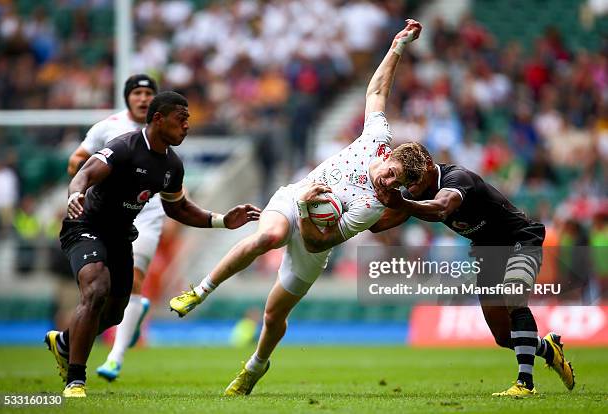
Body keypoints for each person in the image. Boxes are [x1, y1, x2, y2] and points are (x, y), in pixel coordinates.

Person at [169, 19, 424, 396]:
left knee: (274, 316)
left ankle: (255, 366)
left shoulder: (371, 206)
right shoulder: (378, 138)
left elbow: (321, 242)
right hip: (293, 197)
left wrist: (306, 211)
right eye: (391, 173)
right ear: (390, 157)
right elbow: (376, 91)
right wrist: (397, 47)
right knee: (267, 236)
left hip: (313, 232)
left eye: (397, 184)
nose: (388, 183)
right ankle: (201, 291)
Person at [45, 91, 261, 398]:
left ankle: (65, 342)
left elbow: (179, 208)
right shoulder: (124, 148)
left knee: (116, 312)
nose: (187, 125)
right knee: (95, 289)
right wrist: (75, 195)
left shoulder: (172, 165)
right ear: (158, 119)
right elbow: (85, 174)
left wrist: (223, 220)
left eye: (188, 120)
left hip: (120, 236)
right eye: (181, 118)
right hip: (86, 226)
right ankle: (75, 380)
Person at [369, 143, 575, 397]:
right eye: (405, 182)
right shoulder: (416, 190)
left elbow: (442, 207)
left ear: (429, 167)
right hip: (488, 250)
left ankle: (526, 383)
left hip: (519, 237)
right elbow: (378, 225)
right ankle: (548, 349)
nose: (409, 187)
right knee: (502, 335)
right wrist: (345, 217)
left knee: (514, 297)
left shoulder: (457, 178)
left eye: (412, 179)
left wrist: (402, 203)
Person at [67, 74, 162, 381]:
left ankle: (114, 358)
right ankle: (72, 340)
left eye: (149, 92)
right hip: (108, 216)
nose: (143, 98)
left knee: (133, 281)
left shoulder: (162, 131)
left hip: (147, 214)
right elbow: (76, 162)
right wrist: (93, 182)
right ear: (127, 97)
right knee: (105, 294)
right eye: (137, 92)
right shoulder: (108, 127)